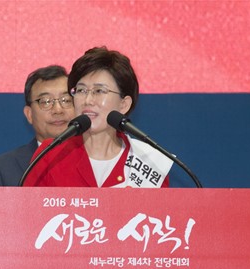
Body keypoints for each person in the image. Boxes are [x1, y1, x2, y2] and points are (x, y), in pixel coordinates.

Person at [22, 46, 173, 188]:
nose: (88, 100)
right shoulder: (51, 155)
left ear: (124, 104)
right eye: (81, 90)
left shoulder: (149, 162)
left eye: (99, 91)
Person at [0, 65, 75, 186]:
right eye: (46, 102)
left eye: (66, 100)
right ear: (29, 114)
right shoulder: (4, 168)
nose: (58, 110)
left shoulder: (94, 160)